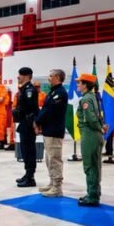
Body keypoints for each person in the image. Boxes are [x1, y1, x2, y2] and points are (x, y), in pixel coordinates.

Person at [34, 69, 69, 197]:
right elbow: (45, 109)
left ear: (58, 78)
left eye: (51, 76)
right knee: (49, 159)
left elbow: (49, 111)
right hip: (49, 130)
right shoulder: (53, 92)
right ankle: (52, 182)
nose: (49, 78)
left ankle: (57, 187)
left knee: (54, 159)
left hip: (55, 131)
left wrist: (37, 121)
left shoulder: (60, 93)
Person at [75, 74, 106, 207]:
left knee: (90, 166)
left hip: (90, 134)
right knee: (95, 165)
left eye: (79, 83)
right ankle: (94, 193)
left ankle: (92, 196)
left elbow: (92, 118)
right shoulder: (93, 97)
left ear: (85, 85)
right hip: (95, 135)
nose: (77, 85)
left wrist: (99, 128)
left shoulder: (86, 99)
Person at [13, 67, 40, 187]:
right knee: (24, 150)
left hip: (28, 124)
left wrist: (34, 123)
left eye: (20, 75)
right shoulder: (23, 89)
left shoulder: (29, 90)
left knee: (29, 151)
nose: (18, 77)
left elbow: (32, 108)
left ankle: (30, 177)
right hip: (24, 123)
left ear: (27, 76)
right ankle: (27, 174)